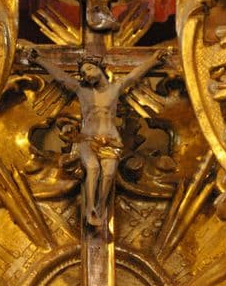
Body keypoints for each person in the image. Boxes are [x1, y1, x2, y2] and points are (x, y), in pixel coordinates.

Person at [26, 48, 167, 225]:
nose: (87, 75)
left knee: (109, 173)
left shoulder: (115, 88)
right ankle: (90, 209)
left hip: (111, 140)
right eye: (83, 73)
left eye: (89, 69)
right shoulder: (82, 90)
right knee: (93, 169)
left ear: (100, 68)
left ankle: (101, 207)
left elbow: (134, 76)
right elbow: (62, 77)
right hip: (87, 139)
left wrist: (153, 61)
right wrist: (39, 59)